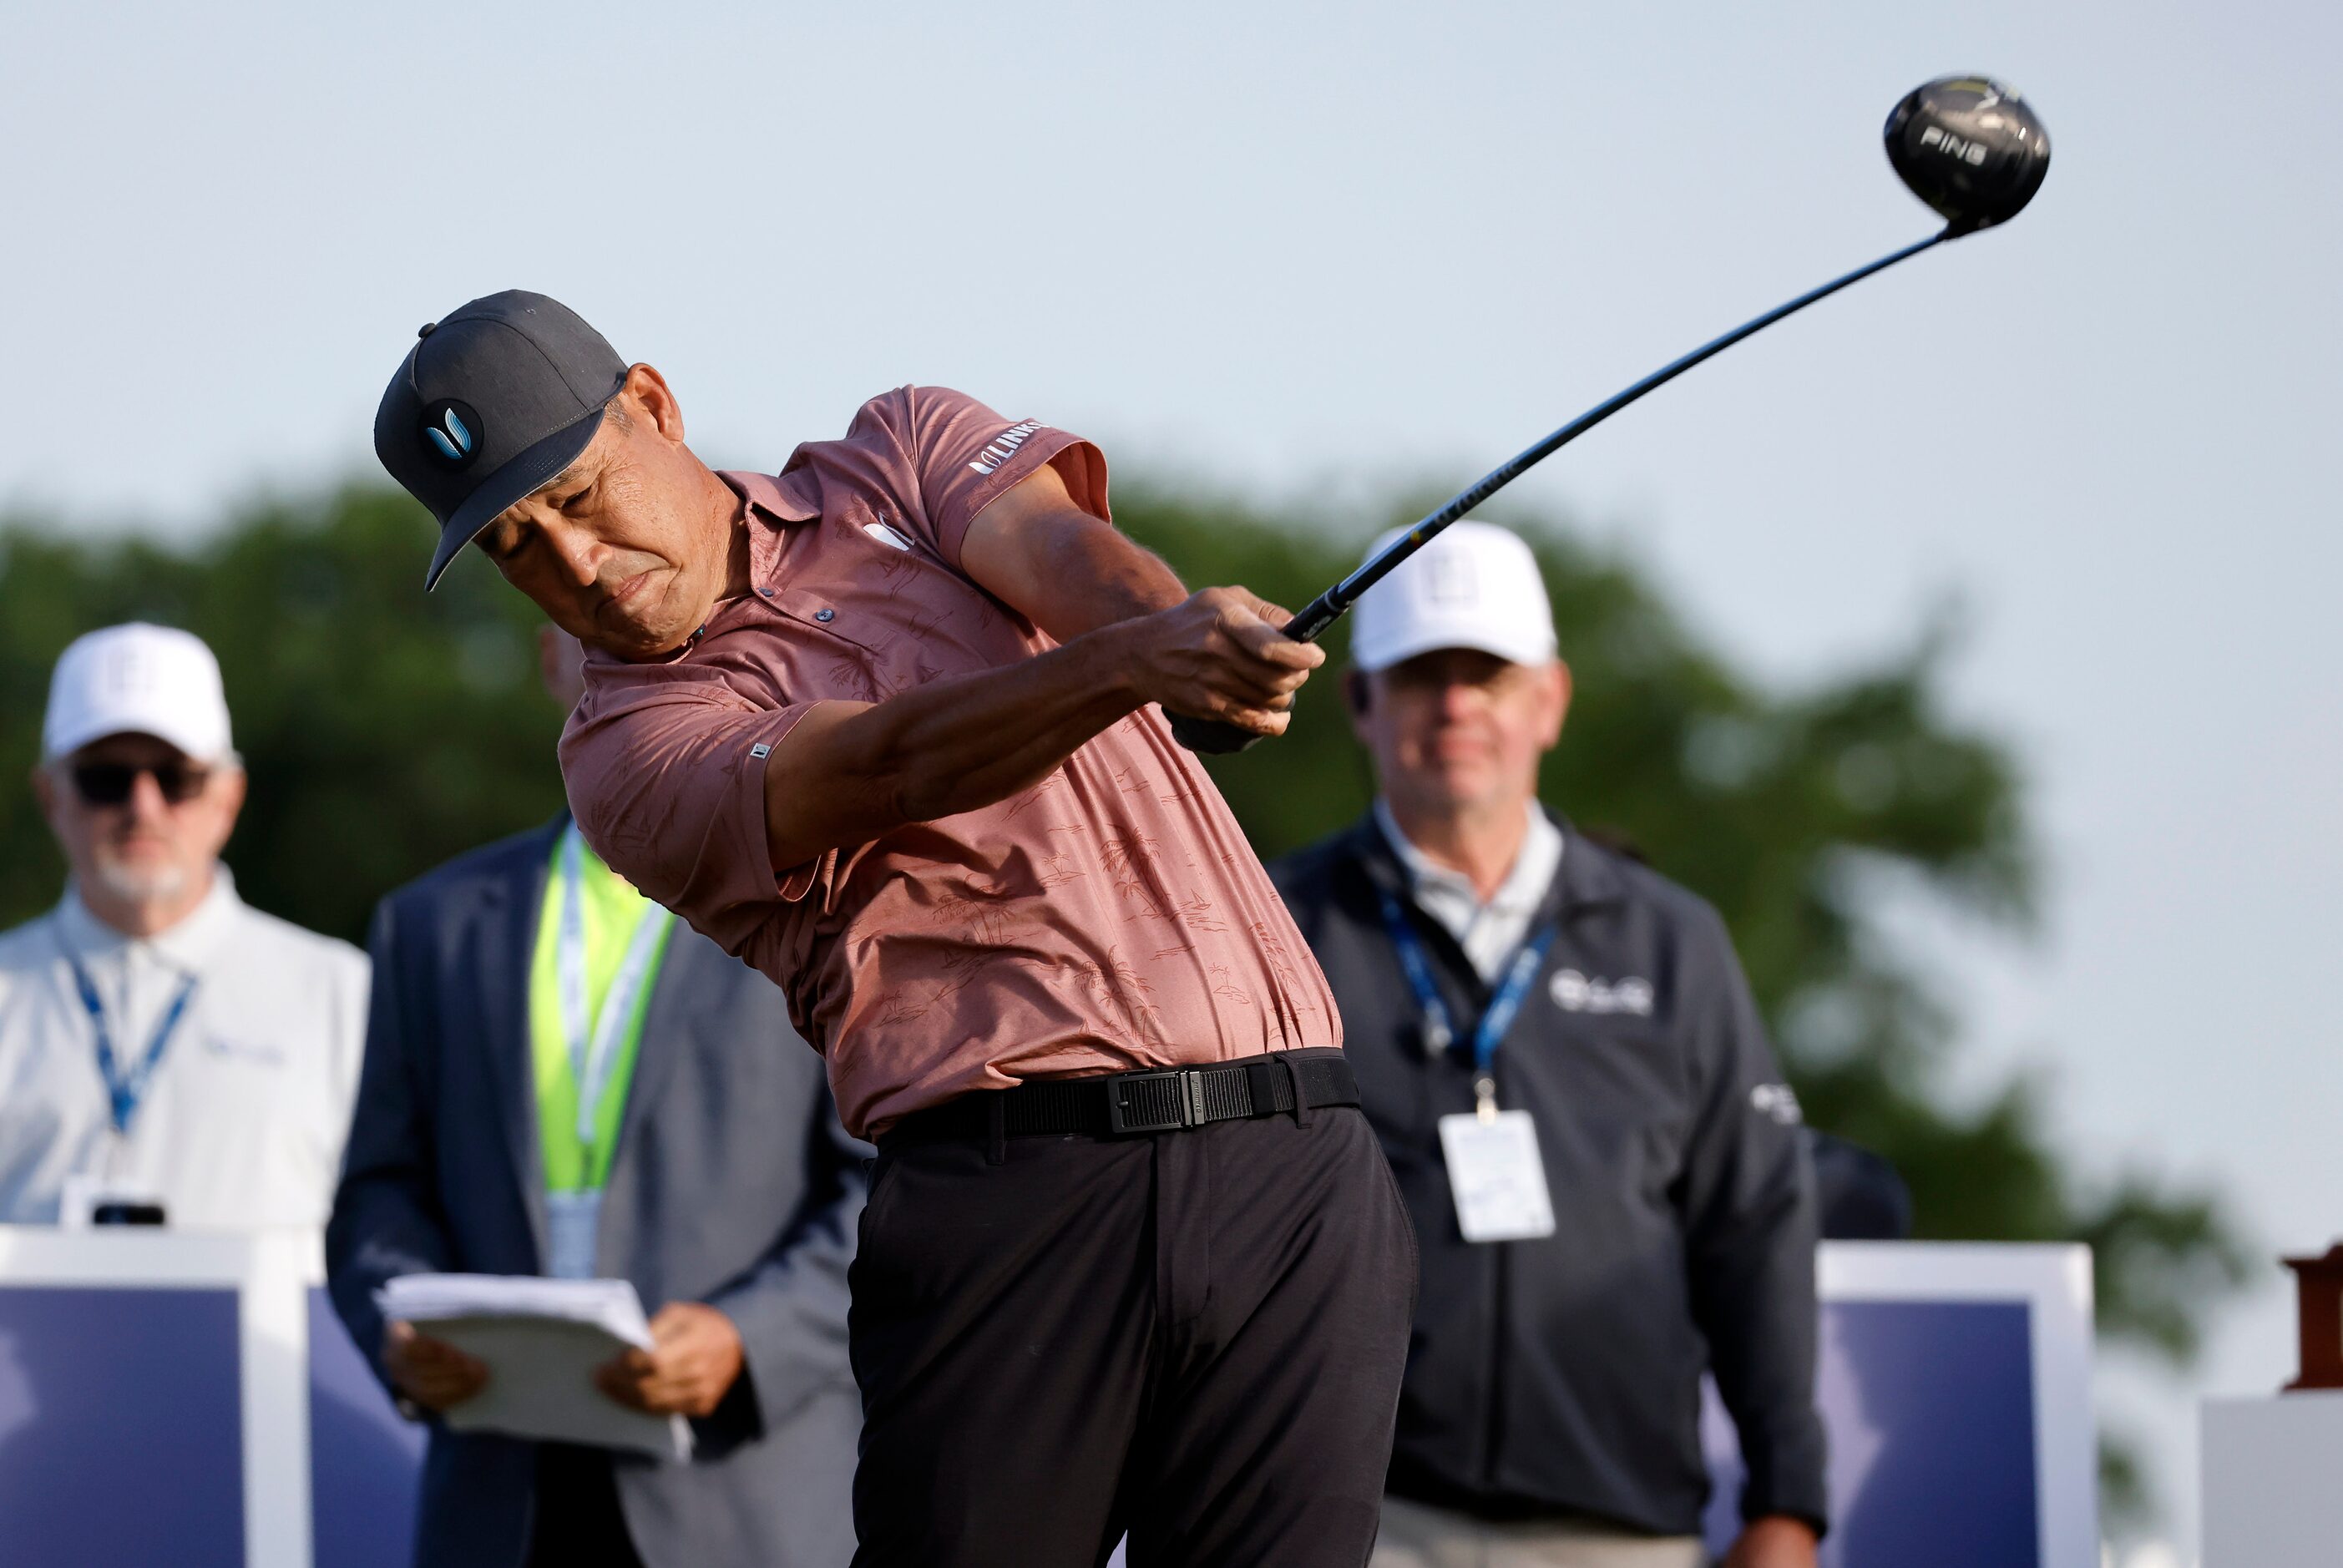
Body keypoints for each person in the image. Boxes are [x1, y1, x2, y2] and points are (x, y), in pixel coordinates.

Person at [371, 290, 1413, 1568]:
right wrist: (1140, 665)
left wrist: (1177, 627)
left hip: (1293, 1157)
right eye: (516, 547)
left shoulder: (900, 451)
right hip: (1016, 1193)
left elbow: (1074, 563)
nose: (572, 567)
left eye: (579, 498)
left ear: (651, 403)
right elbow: (887, 766)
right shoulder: (623, 752)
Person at [1267, 524, 1829, 1568]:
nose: (1457, 704)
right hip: (1354, 1526)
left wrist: (1787, 1504)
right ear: (1359, 702)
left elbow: (1755, 1227)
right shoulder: (1273, 929)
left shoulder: (1672, 941)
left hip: (1622, 1529)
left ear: (1550, 701)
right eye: (1421, 673)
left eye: (1487, 673)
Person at [326, 627, 867, 1568]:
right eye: (590, 632)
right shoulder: (430, 925)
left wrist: (750, 1336)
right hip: (501, 1504)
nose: (630, 660)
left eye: (667, 636)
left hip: (745, 1503)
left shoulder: (826, 904)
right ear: (546, 658)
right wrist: (397, 1323)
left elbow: (884, 1188)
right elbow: (378, 1192)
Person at [0, 623, 367, 1229]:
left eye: (176, 778)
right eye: (105, 779)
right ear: (50, 797)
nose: (142, 807)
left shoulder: (342, 995)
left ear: (228, 796)